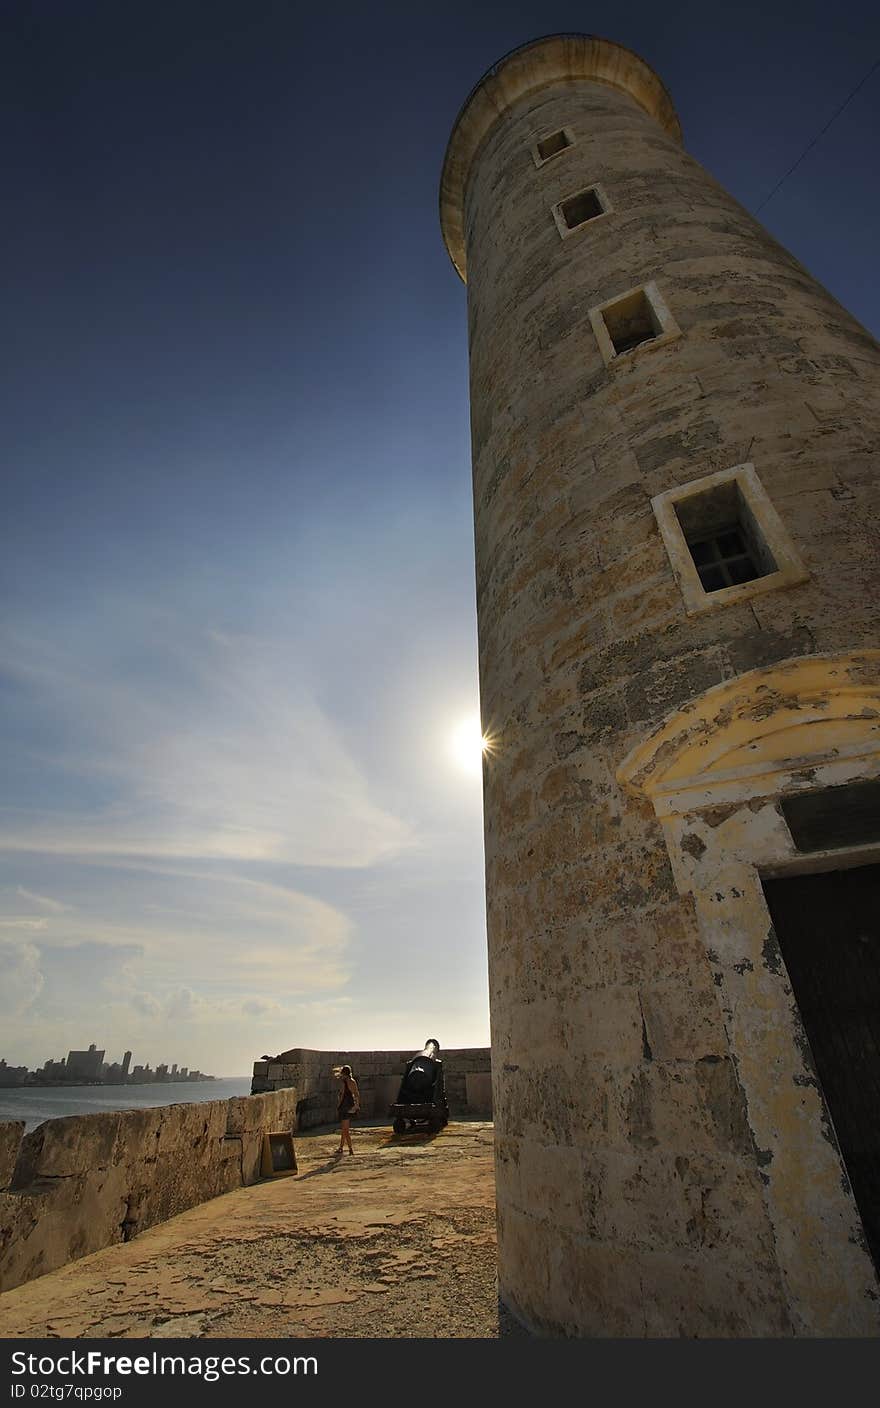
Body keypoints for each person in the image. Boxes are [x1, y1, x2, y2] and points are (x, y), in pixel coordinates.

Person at [335, 1065, 360, 1155]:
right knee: (344, 1128)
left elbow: (341, 1096)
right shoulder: (353, 1081)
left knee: (345, 1130)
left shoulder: (344, 1082)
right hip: (350, 1106)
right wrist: (356, 1105)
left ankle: (350, 1149)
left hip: (344, 1107)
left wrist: (338, 1105)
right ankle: (341, 1147)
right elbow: (357, 1094)